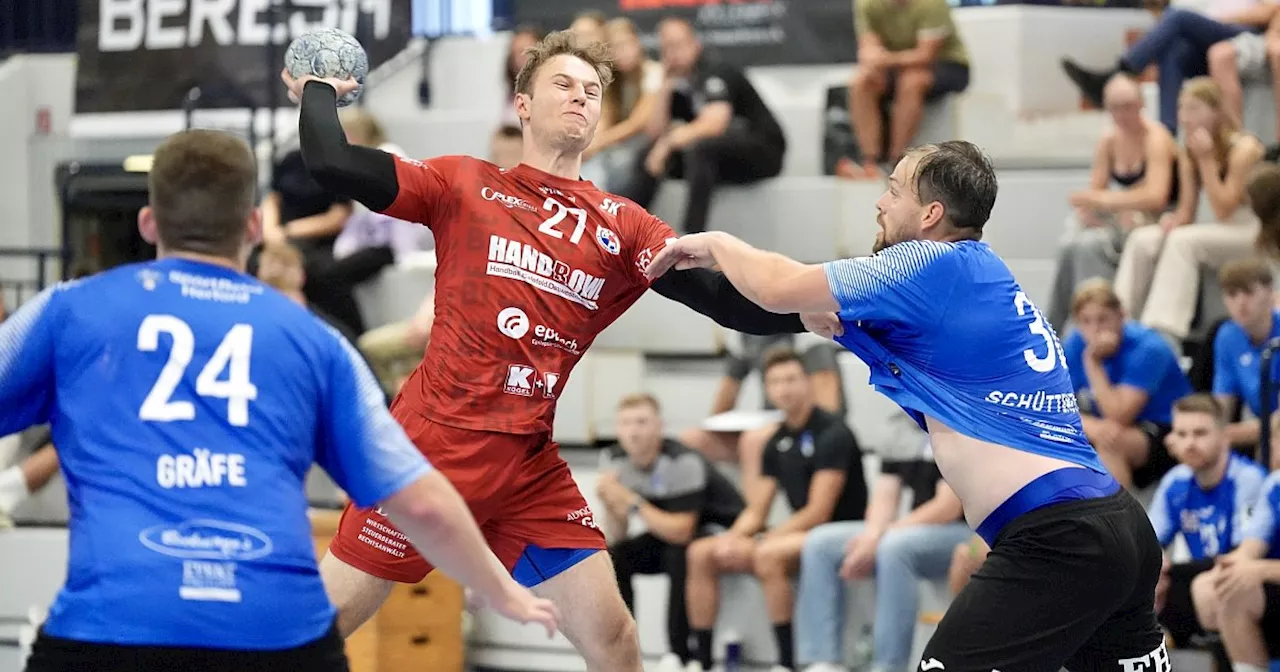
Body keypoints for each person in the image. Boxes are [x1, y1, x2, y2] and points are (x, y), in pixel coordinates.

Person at [284, 29, 819, 671]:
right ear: (523, 106)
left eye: (593, 91)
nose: (581, 97)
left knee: (615, 640)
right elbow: (333, 162)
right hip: (429, 455)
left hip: (526, 467)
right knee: (317, 631)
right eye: (563, 84)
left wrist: (823, 315)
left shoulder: (622, 225)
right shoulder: (463, 184)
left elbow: (723, 300)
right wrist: (319, 91)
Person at [0, 129, 557, 671]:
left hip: (112, 625)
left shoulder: (69, 311)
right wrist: (498, 589)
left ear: (149, 223)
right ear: (251, 227)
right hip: (276, 635)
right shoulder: (316, 341)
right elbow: (422, 502)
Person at [644, 140, 1169, 669]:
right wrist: (641, 259)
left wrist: (717, 242)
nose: (880, 203)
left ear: (931, 214)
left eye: (893, 190)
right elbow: (749, 309)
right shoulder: (971, 278)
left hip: (1057, 536)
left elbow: (775, 287)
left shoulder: (923, 264)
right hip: (1116, 526)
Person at [684, 347, 866, 672]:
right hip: (799, 531)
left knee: (767, 554)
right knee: (701, 552)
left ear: (808, 382)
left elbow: (818, 511)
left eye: (791, 379)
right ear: (767, 389)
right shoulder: (776, 441)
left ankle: (786, 662)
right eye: (776, 382)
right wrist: (736, 537)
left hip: (839, 529)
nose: (784, 388)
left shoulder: (833, 433)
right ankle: (701, 660)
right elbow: (758, 508)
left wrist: (765, 539)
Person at [597, 393, 745, 672]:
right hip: (668, 527)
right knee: (615, 556)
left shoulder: (681, 461)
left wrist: (631, 501)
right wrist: (612, 503)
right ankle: (624, 648)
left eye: (641, 422)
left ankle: (680, 653)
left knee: (680, 552)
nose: (633, 431)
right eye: (626, 423)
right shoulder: (613, 459)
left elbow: (682, 530)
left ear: (659, 427)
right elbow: (619, 532)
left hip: (718, 527)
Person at [1112, 77, 1264, 346]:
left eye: (1193, 109)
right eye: (1182, 109)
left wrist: (1205, 160)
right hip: (1215, 229)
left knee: (1184, 243)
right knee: (1143, 239)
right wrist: (1171, 221)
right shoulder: (1188, 150)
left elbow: (1223, 209)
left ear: (1215, 111)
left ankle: (1162, 331)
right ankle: (1116, 319)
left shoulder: (1244, 148)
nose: (1184, 118)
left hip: (1250, 231)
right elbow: (1187, 211)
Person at [795, 437, 968, 672]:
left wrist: (882, 537)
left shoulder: (952, 427)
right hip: (909, 528)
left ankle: (888, 665)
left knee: (895, 548)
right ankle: (823, 660)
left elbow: (946, 508)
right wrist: (872, 536)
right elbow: (885, 496)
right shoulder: (901, 430)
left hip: (963, 532)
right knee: (820, 543)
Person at [619, 17, 786, 234]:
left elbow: (714, 125)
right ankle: (625, 230)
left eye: (678, 45)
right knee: (647, 153)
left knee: (700, 149)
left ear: (695, 44)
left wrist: (667, 144)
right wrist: (665, 86)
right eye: (666, 48)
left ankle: (692, 238)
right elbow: (654, 132)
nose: (673, 53)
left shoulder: (716, 71)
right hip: (719, 156)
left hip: (763, 151)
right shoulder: (680, 83)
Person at [1047, 75, 1178, 332]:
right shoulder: (1108, 141)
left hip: (1157, 219)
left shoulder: (1156, 138)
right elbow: (1093, 194)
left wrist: (1107, 202)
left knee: (1089, 246)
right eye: (1116, 108)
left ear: (1141, 104)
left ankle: (1094, 327)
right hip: (1122, 219)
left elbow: (1156, 195)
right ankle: (1054, 326)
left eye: (1128, 106)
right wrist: (1093, 211)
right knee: (1069, 245)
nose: (1123, 115)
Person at [1148, 394, 1265, 659]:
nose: (1189, 443)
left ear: (1224, 436)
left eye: (1200, 433)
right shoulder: (1175, 482)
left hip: (1246, 580)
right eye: (1182, 434)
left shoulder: (1247, 480)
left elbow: (1240, 557)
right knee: (1144, 574)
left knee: (1187, 582)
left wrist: (1169, 569)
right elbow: (1149, 543)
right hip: (1197, 580)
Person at [1063, 279, 1191, 488]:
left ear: (1121, 316)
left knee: (1111, 442)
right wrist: (1093, 427)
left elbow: (1119, 414)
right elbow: (1050, 407)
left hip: (1168, 430)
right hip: (1106, 424)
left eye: (1103, 319)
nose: (1095, 330)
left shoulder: (1149, 348)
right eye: (1085, 321)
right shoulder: (1074, 343)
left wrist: (1093, 363)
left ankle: (1118, 520)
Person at [846, 0, 970, 179]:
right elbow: (868, 46)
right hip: (895, 65)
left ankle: (896, 160)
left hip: (946, 63)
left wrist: (882, 59)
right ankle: (870, 160)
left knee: (912, 82)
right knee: (862, 81)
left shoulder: (932, 4)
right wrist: (876, 62)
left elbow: (926, 54)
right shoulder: (867, 3)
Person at [1191, 451, 1280, 672]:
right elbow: (1250, 548)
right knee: (1225, 588)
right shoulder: (1275, 485)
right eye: (1278, 442)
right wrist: (1223, 572)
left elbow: (1258, 568)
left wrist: (1262, 570)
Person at [1212, 258, 1280, 454]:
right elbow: (1222, 403)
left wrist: (1228, 434)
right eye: (1232, 294)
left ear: (1269, 293)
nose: (1241, 302)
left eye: (1249, 293)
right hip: (1257, 421)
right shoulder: (1227, 336)